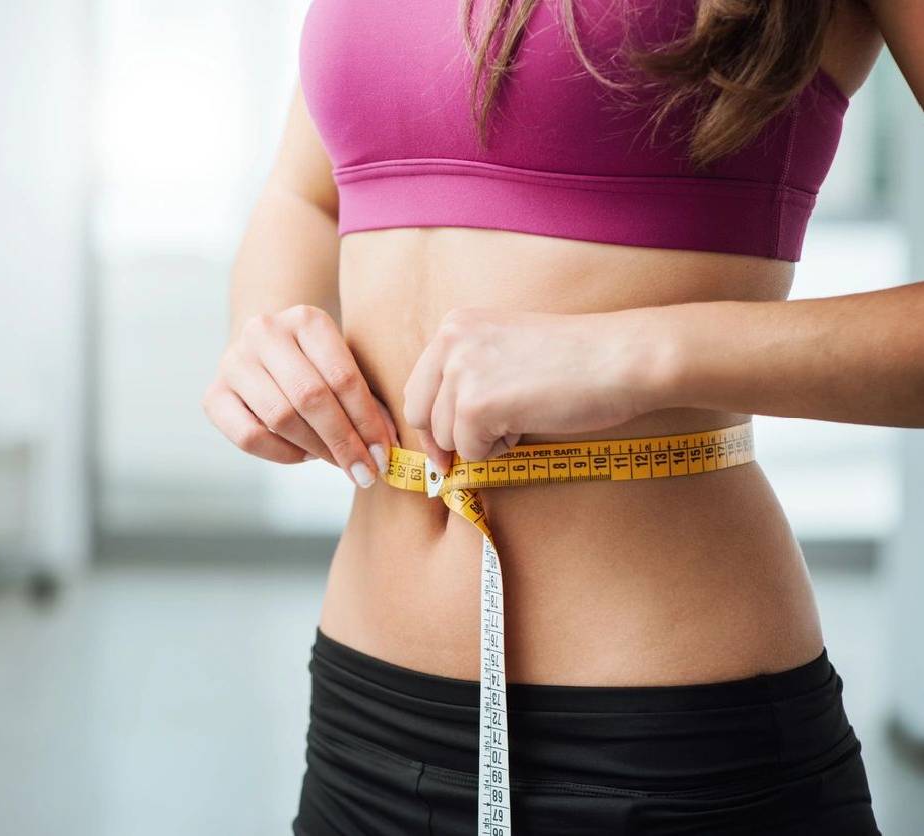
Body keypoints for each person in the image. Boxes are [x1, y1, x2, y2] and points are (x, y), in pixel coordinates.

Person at [201, 1, 921, 833]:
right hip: (362, 713)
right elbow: (308, 193)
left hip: (661, 743)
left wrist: (635, 354)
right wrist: (267, 330)